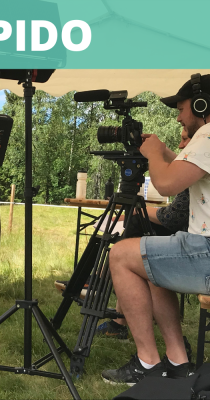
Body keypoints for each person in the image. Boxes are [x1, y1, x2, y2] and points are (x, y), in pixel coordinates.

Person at [101, 74, 210, 385]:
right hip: (203, 247)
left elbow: (164, 183)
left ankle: (147, 363)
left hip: (207, 251)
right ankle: (178, 362)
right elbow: (187, 167)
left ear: (202, 104)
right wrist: (162, 153)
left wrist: (152, 157)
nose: (178, 116)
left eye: (181, 108)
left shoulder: (207, 134)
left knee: (121, 254)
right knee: (153, 264)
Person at [96, 127, 191, 340]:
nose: (181, 145)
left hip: (190, 244)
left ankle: (101, 278)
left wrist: (133, 212)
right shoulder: (195, 163)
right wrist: (163, 150)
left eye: (185, 140)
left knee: (135, 233)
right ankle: (115, 310)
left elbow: (174, 216)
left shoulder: (197, 168)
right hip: (185, 238)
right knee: (135, 228)